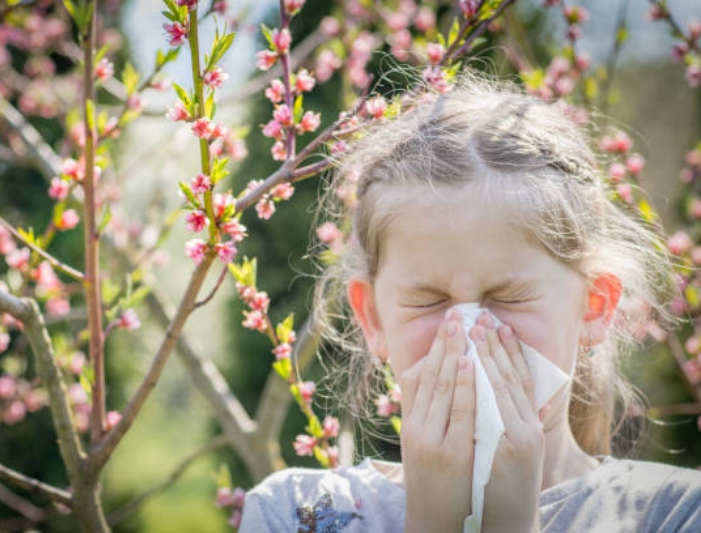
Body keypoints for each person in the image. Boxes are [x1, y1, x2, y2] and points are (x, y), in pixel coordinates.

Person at [238, 76, 701, 532]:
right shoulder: (300, 514)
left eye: (508, 297)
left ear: (593, 306)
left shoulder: (674, 514)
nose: (468, 333)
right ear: (374, 318)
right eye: (428, 300)